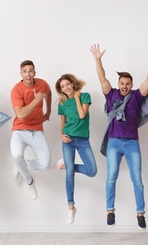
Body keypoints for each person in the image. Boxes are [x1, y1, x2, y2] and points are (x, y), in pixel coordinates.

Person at [90, 44, 148, 229]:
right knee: (111, 177)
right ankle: (110, 211)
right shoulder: (111, 94)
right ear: (119, 85)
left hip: (132, 144)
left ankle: (140, 213)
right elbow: (102, 78)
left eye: (127, 84)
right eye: (122, 83)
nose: (124, 86)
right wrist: (98, 60)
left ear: (131, 85)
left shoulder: (137, 96)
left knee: (137, 179)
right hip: (115, 142)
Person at [52, 74, 98, 225]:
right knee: (70, 175)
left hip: (83, 140)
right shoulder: (62, 103)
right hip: (68, 140)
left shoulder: (84, 96)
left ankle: (65, 165)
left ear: (72, 84)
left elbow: (82, 114)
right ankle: (71, 207)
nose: (65, 88)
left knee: (92, 171)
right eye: (62, 87)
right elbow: (62, 123)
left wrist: (77, 97)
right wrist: (60, 135)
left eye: (67, 84)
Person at [10, 60, 52, 200]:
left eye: (31, 71)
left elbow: (49, 91)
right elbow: (20, 114)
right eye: (25, 71)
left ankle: (21, 165)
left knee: (45, 164)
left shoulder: (42, 84)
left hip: (37, 130)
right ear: (21, 73)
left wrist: (49, 110)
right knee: (16, 155)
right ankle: (29, 181)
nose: (28, 74)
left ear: (35, 72)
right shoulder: (16, 90)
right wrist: (36, 100)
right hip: (20, 130)